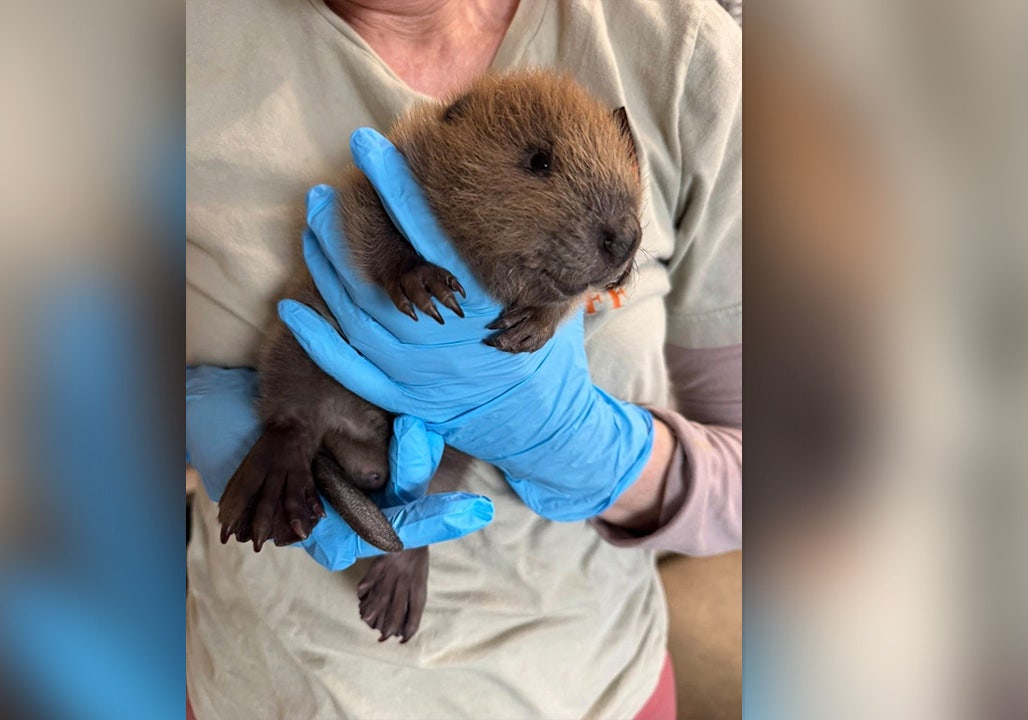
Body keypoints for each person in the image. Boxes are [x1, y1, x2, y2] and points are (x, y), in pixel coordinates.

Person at [185, 0, 741, 717]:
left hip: (591, 686)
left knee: (435, 465)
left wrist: (596, 453)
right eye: (540, 165)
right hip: (272, 684)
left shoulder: (676, 47)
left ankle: (406, 540)